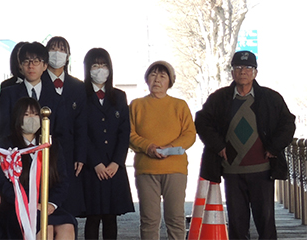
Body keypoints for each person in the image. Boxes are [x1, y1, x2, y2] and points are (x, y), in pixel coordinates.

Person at [194, 51, 296, 240]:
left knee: (265, 223)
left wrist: (274, 147)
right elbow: (202, 122)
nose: (243, 72)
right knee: (237, 225)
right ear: (232, 72)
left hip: (263, 170)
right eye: (238, 67)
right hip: (232, 171)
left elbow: (288, 123)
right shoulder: (220, 99)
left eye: (248, 68)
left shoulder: (270, 98)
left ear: (255, 73)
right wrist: (218, 145)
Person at [128, 61, 196, 240]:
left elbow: (190, 134)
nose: (157, 79)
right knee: (149, 220)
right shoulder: (136, 105)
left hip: (175, 169)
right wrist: (148, 147)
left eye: (162, 76)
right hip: (146, 170)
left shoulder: (179, 105)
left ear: (170, 81)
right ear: (147, 79)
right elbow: (129, 134)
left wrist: (171, 148)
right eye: (153, 75)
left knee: (175, 218)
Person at [0, 97, 75, 240]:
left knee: (67, 226)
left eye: (36, 114)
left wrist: (51, 203)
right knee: (46, 229)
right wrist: (28, 204)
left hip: (46, 206)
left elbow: (62, 180)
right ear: (18, 117)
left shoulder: (50, 144)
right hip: (17, 208)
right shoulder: (6, 146)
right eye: (27, 114)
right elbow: (1, 182)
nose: (32, 118)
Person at [79, 48, 134, 240]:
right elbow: (81, 133)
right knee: (93, 217)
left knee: (111, 216)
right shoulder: (81, 95)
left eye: (103, 65)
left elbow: (124, 132)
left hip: (113, 167)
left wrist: (116, 162)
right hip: (92, 168)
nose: (100, 70)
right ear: (88, 69)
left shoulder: (119, 96)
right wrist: (96, 162)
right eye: (95, 66)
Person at [43, 36, 88, 217]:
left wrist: (81, 155)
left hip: (70, 153)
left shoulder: (78, 86)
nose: (57, 53)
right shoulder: (39, 83)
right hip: (45, 151)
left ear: (68, 56)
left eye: (62, 49)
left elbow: (82, 125)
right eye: (53, 49)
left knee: (69, 206)